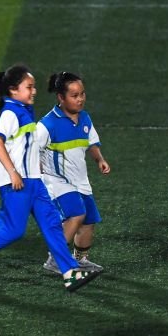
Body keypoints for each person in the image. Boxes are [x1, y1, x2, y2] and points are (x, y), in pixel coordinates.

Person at [0, 65, 100, 293]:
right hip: (17, 182)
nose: (34, 91)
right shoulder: (10, 113)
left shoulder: (24, 110)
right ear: (13, 90)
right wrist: (13, 172)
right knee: (12, 230)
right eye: (29, 87)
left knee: (52, 224)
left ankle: (69, 272)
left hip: (34, 181)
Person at [37, 72, 110, 274]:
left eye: (82, 94)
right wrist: (36, 170)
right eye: (74, 95)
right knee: (76, 214)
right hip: (57, 181)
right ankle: (55, 259)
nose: (80, 99)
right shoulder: (47, 124)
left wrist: (100, 160)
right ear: (61, 97)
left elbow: (92, 143)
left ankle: (80, 260)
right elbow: (32, 150)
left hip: (80, 180)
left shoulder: (85, 118)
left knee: (88, 221)